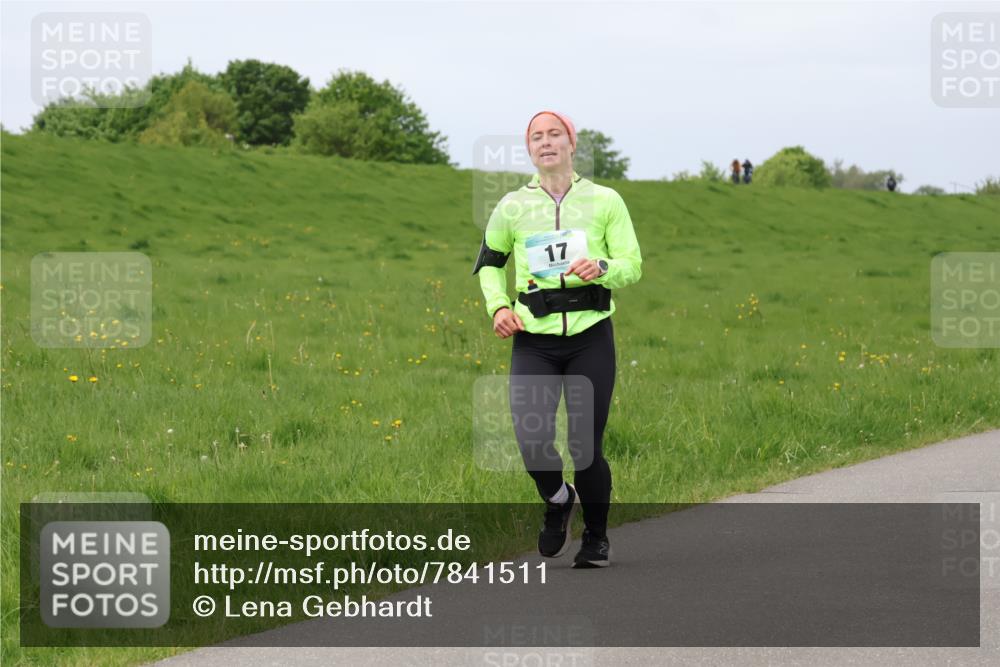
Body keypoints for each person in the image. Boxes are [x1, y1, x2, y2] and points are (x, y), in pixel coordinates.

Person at [472, 110, 642, 568]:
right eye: (536, 137)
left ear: (572, 142)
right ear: (529, 149)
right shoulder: (511, 206)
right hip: (533, 338)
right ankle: (558, 499)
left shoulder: (606, 200)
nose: (546, 142)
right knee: (531, 439)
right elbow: (489, 262)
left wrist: (603, 267)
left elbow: (633, 263)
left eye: (554, 134)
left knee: (586, 443)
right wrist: (499, 306)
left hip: (591, 336)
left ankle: (597, 537)